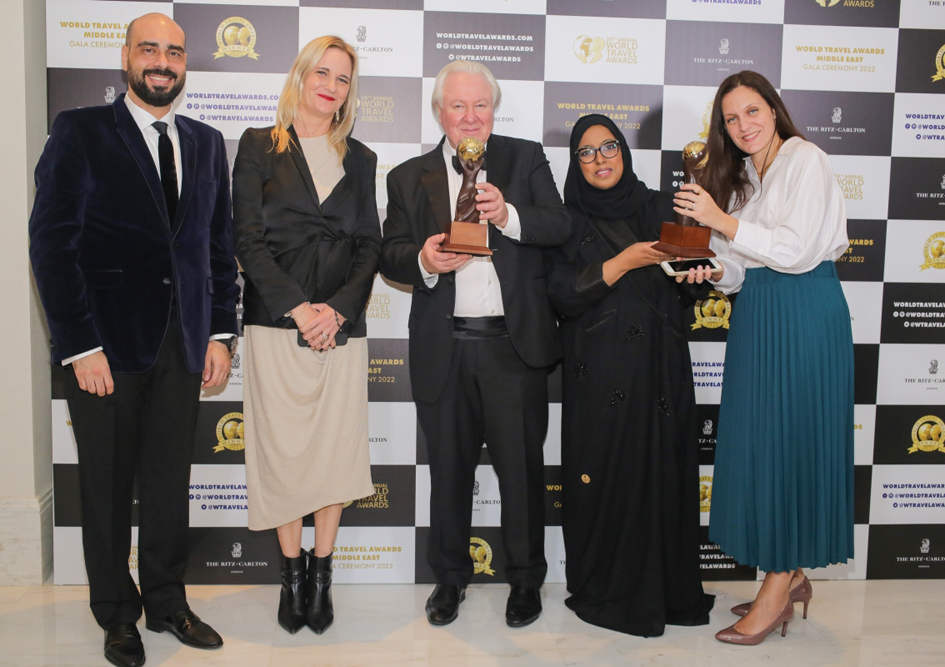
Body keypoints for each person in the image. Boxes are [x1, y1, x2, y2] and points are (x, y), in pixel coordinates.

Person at [29, 13, 238, 667]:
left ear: (184, 65)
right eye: (149, 48)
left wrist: (222, 332)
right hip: (105, 353)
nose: (162, 61)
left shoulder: (206, 142)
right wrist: (79, 343)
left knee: (169, 484)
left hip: (182, 347)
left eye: (174, 51)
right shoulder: (81, 131)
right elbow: (52, 243)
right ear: (125, 59)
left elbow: (217, 248)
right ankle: (117, 613)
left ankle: (168, 601)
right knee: (107, 487)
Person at [380, 60, 571, 628]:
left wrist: (508, 215)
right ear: (440, 113)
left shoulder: (524, 156)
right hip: (445, 349)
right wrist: (424, 261)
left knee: (521, 475)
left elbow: (558, 226)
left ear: (494, 110)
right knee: (448, 473)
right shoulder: (407, 176)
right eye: (458, 107)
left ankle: (524, 581)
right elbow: (389, 252)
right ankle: (449, 579)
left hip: (513, 350)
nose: (470, 118)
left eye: (480, 106)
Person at [675, 70, 853, 645]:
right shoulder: (747, 177)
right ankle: (788, 573)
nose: (743, 125)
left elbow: (797, 251)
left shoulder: (806, 159)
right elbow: (739, 265)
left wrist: (717, 219)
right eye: (731, 118)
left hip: (804, 313)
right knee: (762, 444)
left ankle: (779, 584)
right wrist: (712, 268)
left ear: (773, 110)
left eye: (752, 111)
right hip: (757, 314)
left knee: (792, 442)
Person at [232, 35, 379, 636]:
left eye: (343, 79)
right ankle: (289, 577)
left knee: (333, 455)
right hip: (276, 327)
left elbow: (370, 245)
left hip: (341, 332)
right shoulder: (257, 147)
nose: (331, 85)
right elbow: (248, 241)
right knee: (285, 456)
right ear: (300, 75)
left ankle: (322, 576)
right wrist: (299, 309)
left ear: (349, 93)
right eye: (322, 72)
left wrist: (337, 312)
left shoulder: (362, 158)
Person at [547, 114, 715, 638]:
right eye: (587, 152)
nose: (600, 160)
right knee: (606, 479)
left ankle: (667, 588)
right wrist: (621, 262)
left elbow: (690, 289)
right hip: (598, 374)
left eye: (609, 147)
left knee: (662, 471)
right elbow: (560, 296)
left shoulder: (661, 208)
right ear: (575, 162)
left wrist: (699, 275)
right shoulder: (564, 220)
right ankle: (607, 587)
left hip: (661, 369)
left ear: (624, 151)